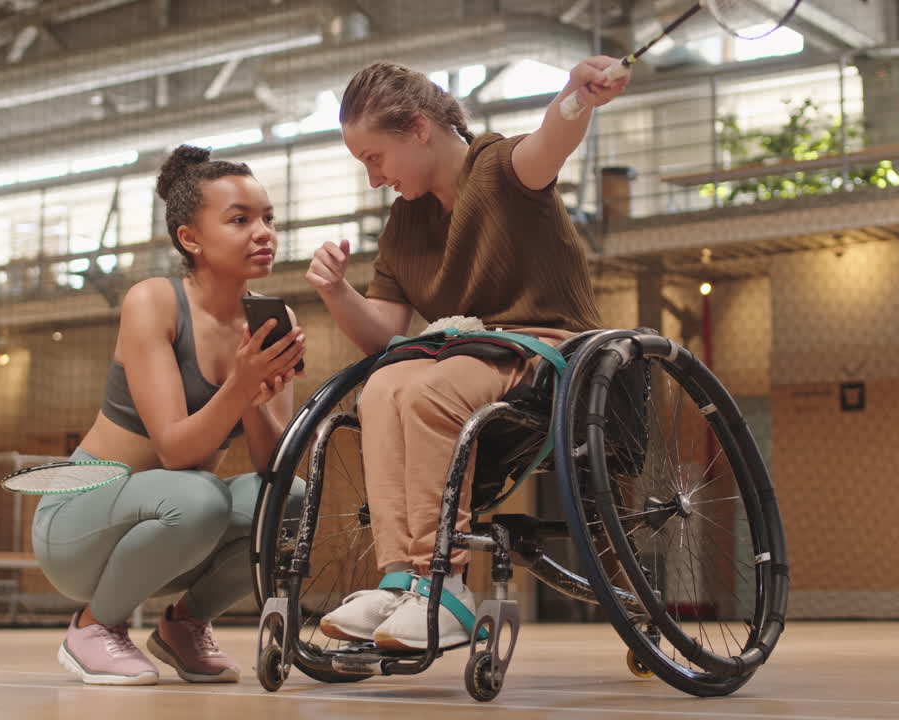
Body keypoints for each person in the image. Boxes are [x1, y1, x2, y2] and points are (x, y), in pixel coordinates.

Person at [306, 58, 630, 650]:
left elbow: (549, 142)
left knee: (428, 387)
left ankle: (445, 584)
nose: (373, 179)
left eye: (374, 157)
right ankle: (402, 575)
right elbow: (383, 335)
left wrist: (576, 94)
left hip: (551, 350)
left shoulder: (500, 169)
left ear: (419, 128)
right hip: (468, 355)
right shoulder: (405, 224)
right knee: (381, 386)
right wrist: (336, 291)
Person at [31, 145, 306, 685]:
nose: (263, 233)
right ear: (190, 238)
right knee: (199, 495)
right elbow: (178, 452)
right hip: (78, 522)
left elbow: (271, 463)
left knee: (293, 500)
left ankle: (185, 625)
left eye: (268, 219)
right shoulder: (153, 301)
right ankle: (91, 629)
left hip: (171, 525)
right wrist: (240, 381)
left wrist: (254, 395)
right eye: (240, 219)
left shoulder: (274, 318)